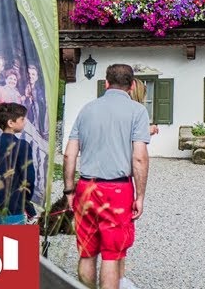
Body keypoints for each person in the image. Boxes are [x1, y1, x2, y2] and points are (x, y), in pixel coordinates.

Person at [63, 64, 151, 289]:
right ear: (132, 86)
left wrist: (69, 190)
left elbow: (69, 154)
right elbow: (139, 158)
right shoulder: (137, 111)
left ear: (106, 83)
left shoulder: (87, 109)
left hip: (86, 187)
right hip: (117, 191)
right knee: (111, 254)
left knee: (86, 251)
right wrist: (140, 196)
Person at [0, 102, 35, 225]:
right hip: (14, 207)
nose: (24, 122)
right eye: (22, 119)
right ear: (11, 123)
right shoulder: (23, 146)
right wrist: (26, 202)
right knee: (13, 242)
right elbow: (29, 179)